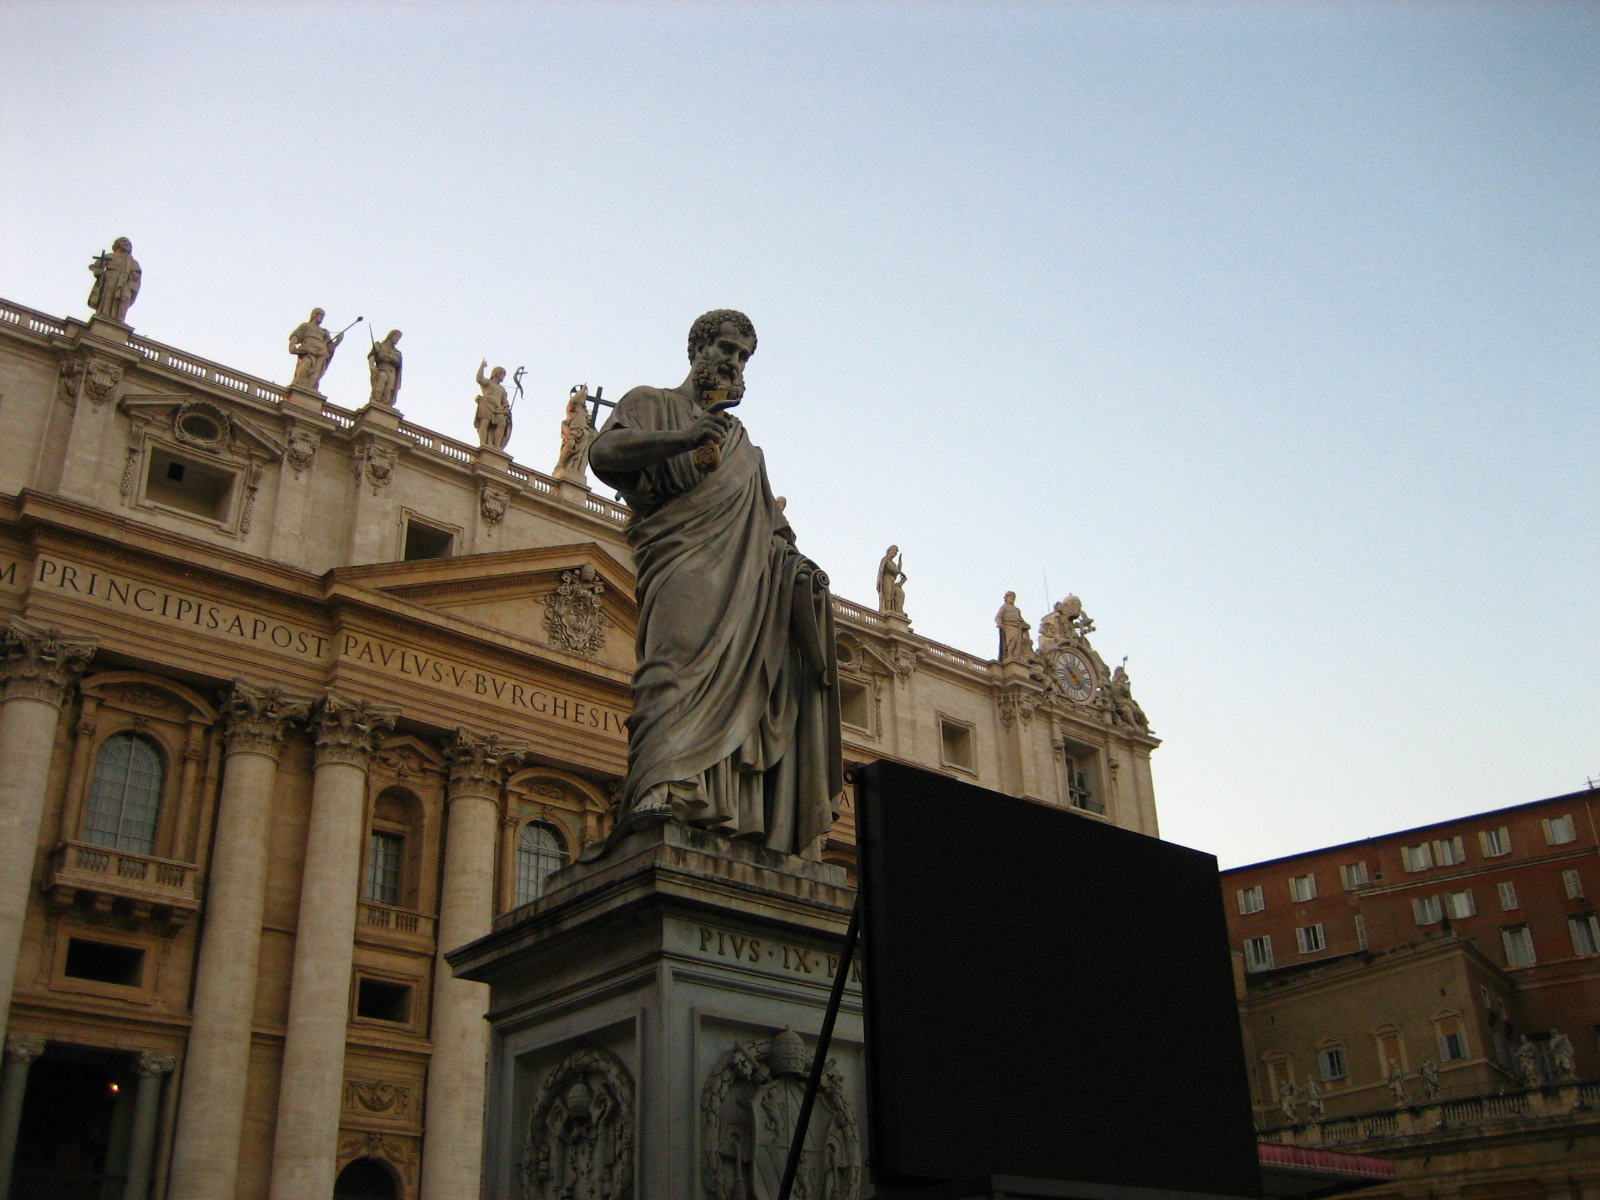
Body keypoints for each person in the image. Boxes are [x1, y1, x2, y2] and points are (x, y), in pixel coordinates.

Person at [588, 309, 841, 857]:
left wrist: (801, 574)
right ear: (697, 349)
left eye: (744, 355)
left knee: (742, 680)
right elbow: (603, 454)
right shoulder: (650, 402)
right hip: (680, 559)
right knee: (671, 666)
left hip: (745, 583)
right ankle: (658, 784)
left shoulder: (744, 447)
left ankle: (713, 805)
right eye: (726, 349)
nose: (734, 362)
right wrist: (682, 439)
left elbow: (774, 533)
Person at [288, 308, 343, 392]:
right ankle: (299, 387)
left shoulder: (324, 332)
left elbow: (329, 349)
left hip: (321, 353)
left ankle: (310, 391)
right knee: (305, 366)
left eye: (323, 316)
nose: (322, 317)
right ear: (314, 314)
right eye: (320, 314)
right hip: (308, 350)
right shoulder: (306, 326)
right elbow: (297, 335)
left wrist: (337, 341)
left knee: (316, 375)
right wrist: (292, 344)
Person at [554, 385, 592, 481]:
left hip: (583, 433)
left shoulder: (584, 411)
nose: (584, 399)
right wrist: (581, 391)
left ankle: (574, 469)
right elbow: (573, 400)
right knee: (570, 444)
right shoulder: (572, 407)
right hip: (573, 432)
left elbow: (588, 421)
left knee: (580, 453)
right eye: (582, 397)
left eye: (584, 398)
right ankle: (561, 463)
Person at [474, 360, 513, 449]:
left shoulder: (502, 389)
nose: (503, 377)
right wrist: (482, 368)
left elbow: (504, 402)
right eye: (502, 374)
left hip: (498, 409)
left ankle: (497, 446)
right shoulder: (488, 382)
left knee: (502, 423)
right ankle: (483, 443)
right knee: (485, 422)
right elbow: (479, 379)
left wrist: (506, 409)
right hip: (486, 403)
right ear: (496, 374)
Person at [368, 330, 403, 406]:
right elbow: (372, 356)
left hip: (392, 373)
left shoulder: (397, 352)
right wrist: (372, 366)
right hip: (382, 369)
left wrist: (385, 356)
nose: (397, 339)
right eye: (396, 336)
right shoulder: (379, 345)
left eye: (399, 338)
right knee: (381, 382)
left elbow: (397, 361)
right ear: (391, 336)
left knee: (389, 391)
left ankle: (385, 405)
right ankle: (376, 402)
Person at [995, 591, 1032, 662]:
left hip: (1018, 627)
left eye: (1013, 598)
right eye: (1010, 597)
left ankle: (1015, 657)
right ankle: (1009, 656)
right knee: (1012, 639)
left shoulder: (1017, 610)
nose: (1012, 599)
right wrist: (999, 623)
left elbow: (1021, 619)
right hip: (1009, 626)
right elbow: (998, 617)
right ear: (1006, 598)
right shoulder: (1004, 607)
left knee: (1018, 643)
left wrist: (1026, 625)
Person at [876, 546, 905, 614]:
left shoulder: (893, 563)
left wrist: (899, 568)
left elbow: (895, 574)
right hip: (886, 578)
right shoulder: (886, 560)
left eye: (896, 551)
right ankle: (887, 610)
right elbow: (893, 569)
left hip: (892, 580)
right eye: (894, 550)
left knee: (900, 593)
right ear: (889, 550)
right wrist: (900, 571)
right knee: (888, 594)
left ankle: (898, 611)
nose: (895, 552)